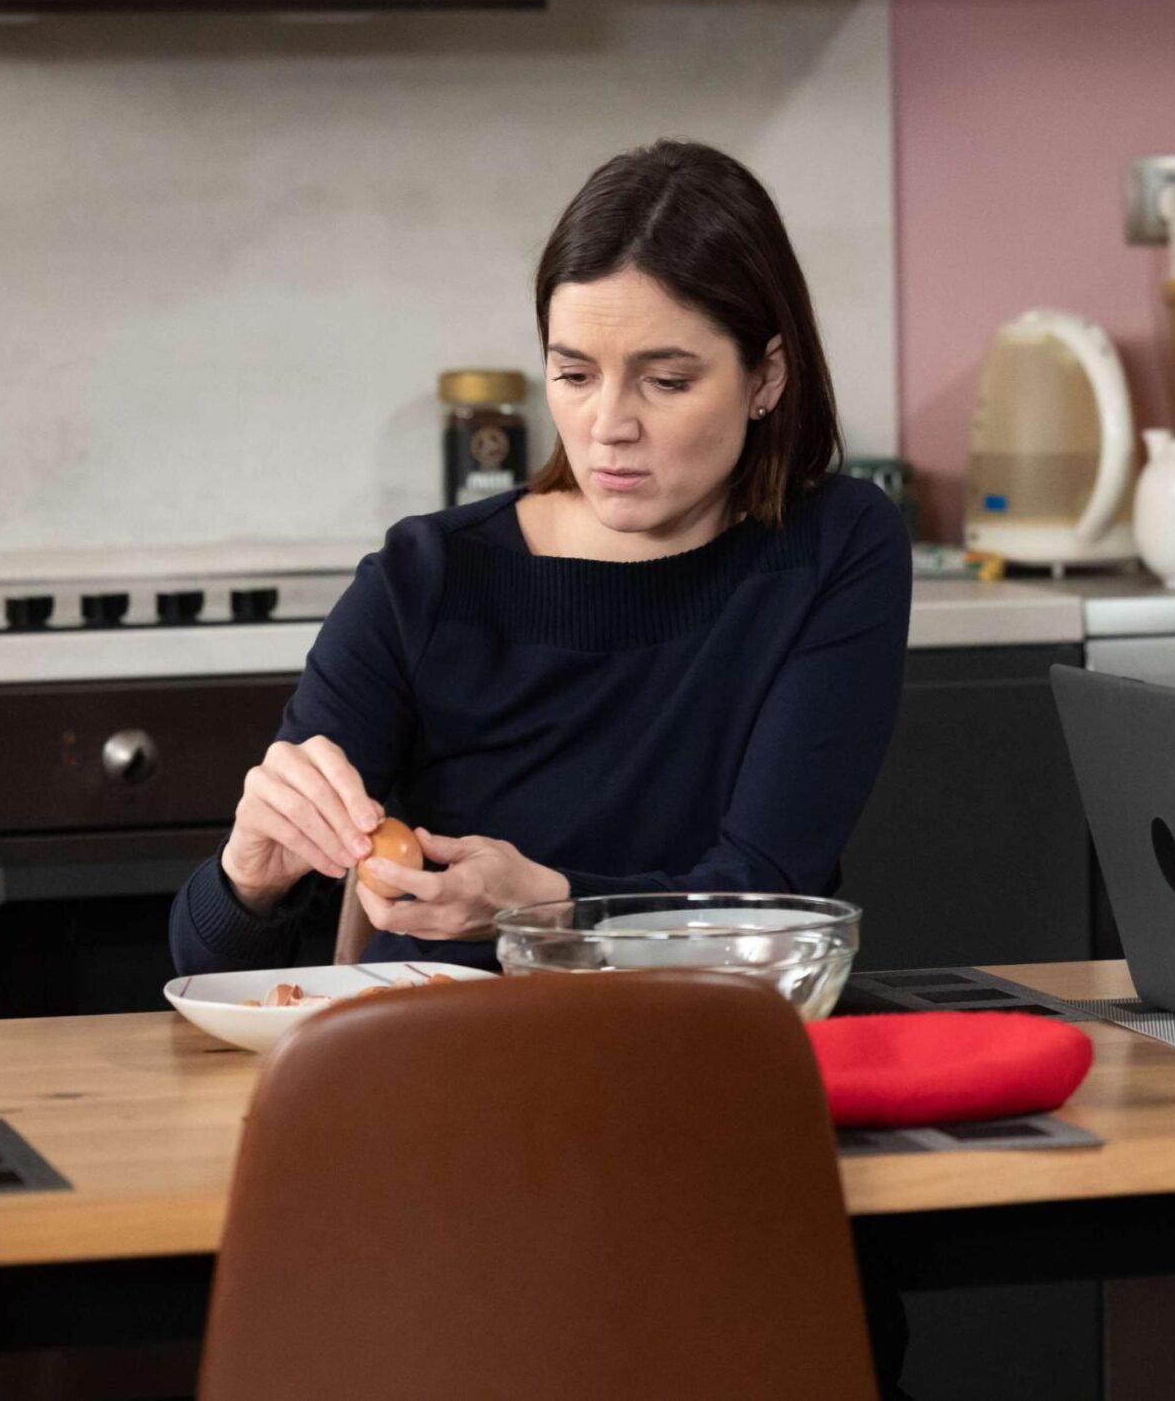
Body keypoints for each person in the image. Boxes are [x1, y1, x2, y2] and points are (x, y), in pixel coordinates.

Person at [170, 140, 912, 974]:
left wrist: (554, 910)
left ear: (765, 377)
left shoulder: (837, 546)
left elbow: (769, 903)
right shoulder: (424, 580)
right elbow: (208, 970)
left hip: (708, 1039)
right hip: (432, 1044)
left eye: (666, 381)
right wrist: (248, 881)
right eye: (575, 374)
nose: (608, 425)